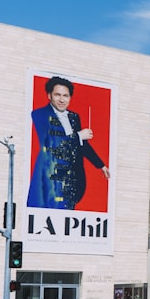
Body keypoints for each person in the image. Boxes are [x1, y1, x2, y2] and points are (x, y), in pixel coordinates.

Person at [27, 76, 110, 210]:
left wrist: (101, 165)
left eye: (65, 95)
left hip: (73, 181)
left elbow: (82, 146)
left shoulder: (73, 117)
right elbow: (50, 143)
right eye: (57, 95)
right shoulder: (39, 114)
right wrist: (78, 136)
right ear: (49, 96)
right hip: (51, 179)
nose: (61, 99)